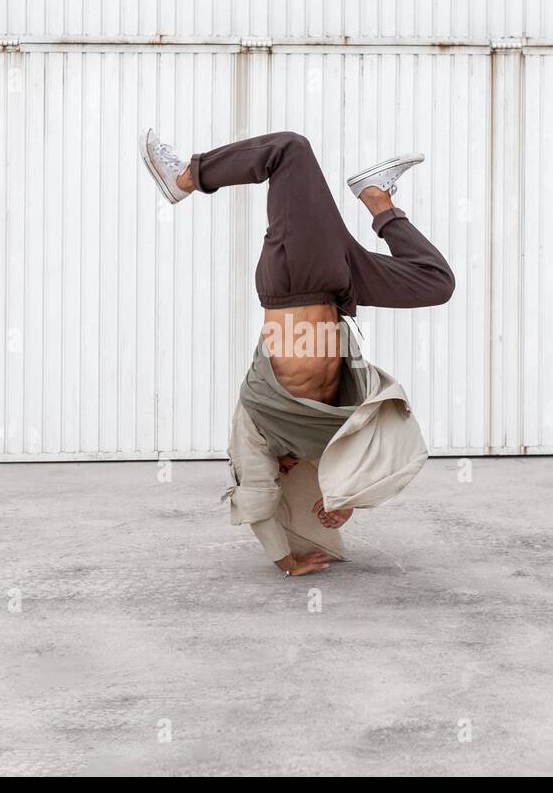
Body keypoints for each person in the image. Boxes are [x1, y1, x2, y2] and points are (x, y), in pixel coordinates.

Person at [139, 129, 455, 576]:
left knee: (290, 150)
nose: (290, 472)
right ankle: (378, 199)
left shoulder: (254, 424)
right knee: (435, 282)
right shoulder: (322, 442)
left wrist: (285, 560)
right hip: (335, 287)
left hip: (294, 281)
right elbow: (361, 459)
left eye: (286, 475)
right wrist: (345, 502)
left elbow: (255, 497)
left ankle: (185, 179)